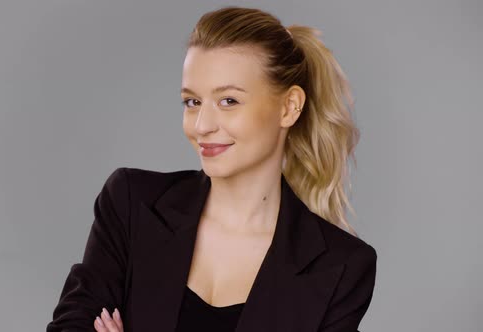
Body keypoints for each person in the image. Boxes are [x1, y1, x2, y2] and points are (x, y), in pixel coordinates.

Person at [47, 5, 377, 332]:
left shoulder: (341, 267)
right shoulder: (132, 204)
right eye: (192, 102)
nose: (202, 125)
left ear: (289, 107)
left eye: (228, 101)